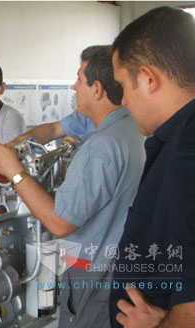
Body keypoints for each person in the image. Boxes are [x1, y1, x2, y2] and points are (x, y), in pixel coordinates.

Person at [0, 45, 144, 328]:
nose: (74, 87)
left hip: (94, 277)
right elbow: (51, 130)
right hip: (119, 269)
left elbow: (59, 223)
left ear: (96, 88)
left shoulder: (100, 146)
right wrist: (17, 148)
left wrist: (14, 170)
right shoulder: (132, 127)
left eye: (78, 79)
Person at [110, 6, 195, 328]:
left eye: (124, 85)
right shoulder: (178, 140)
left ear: (148, 78)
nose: (124, 101)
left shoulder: (185, 160)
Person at [7, 110, 95, 147]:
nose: (75, 87)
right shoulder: (84, 116)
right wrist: (16, 144)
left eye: (80, 80)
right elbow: (53, 130)